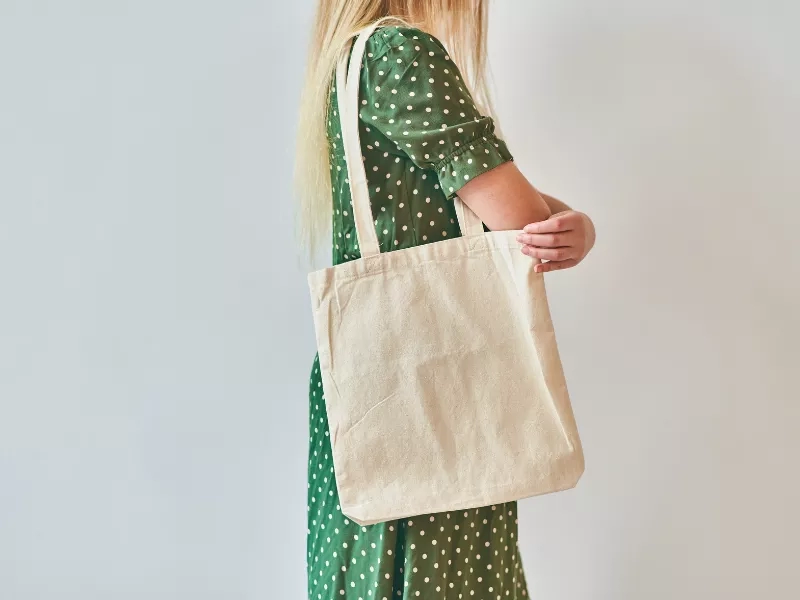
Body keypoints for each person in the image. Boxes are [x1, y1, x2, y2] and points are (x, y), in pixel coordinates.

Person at [294, 2, 596, 598]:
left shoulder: (348, 56)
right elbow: (521, 222)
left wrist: (555, 220)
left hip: (374, 386)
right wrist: (573, 226)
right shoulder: (400, 52)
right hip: (431, 392)